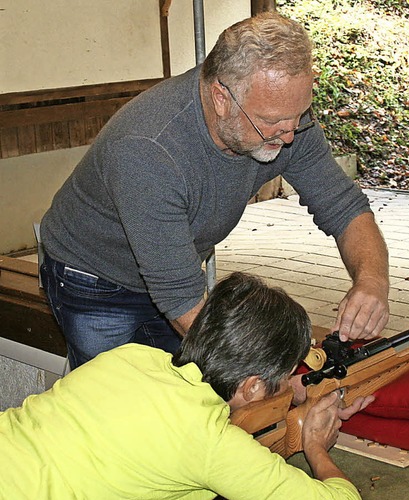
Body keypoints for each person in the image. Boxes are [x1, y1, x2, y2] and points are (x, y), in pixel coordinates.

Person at [39, 12, 390, 370]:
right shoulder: (148, 148)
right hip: (93, 278)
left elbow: (345, 208)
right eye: (271, 122)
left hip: (174, 266)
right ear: (221, 97)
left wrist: (372, 281)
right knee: (115, 400)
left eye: (297, 116)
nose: (288, 136)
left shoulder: (285, 120)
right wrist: (270, 374)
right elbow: (181, 299)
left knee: (186, 389)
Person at [0, 272, 374, 500]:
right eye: (286, 373)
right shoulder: (209, 445)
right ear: (254, 387)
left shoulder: (130, 357)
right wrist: (315, 445)